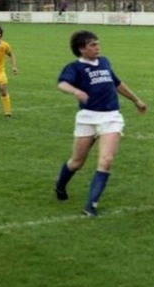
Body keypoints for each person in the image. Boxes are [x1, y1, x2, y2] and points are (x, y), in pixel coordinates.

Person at [54, 30, 147, 217]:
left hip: (111, 117)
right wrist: (75, 91)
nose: (98, 48)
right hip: (87, 117)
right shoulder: (75, 67)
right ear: (82, 49)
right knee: (77, 162)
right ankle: (60, 185)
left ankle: (91, 206)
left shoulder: (104, 62)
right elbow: (62, 84)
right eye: (93, 45)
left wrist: (136, 100)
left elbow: (117, 83)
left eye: (98, 44)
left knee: (106, 160)